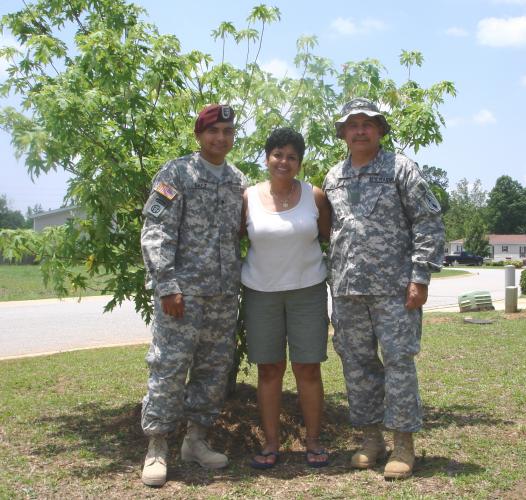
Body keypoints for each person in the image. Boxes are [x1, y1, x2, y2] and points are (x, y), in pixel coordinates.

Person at [322, 98, 444, 479]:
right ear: (343, 133)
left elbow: (428, 220)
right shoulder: (332, 177)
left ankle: (403, 444)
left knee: (398, 364)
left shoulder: (400, 169)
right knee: (357, 366)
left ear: (380, 130)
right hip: (347, 290)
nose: (360, 130)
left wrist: (420, 276)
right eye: (352, 124)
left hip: (395, 290)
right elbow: (331, 231)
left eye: (368, 123)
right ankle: (370, 438)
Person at [140, 104, 247, 487]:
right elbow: (156, 232)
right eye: (213, 130)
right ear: (199, 134)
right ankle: (156, 448)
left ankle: (195, 441)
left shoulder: (237, 179)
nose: (221, 138)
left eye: (227, 132)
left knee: (213, 370)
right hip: (181, 294)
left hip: (221, 295)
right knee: (168, 367)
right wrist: (167, 284)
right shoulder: (176, 173)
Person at [241, 127, 331, 469]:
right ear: (267, 158)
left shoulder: (315, 196)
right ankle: (271, 443)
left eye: (292, 156)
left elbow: (326, 236)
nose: (284, 161)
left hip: (307, 290)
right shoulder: (247, 197)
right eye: (278, 154)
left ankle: (313, 441)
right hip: (260, 293)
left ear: (300, 162)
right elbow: (237, 236)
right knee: (269, 369)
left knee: (307, 368)